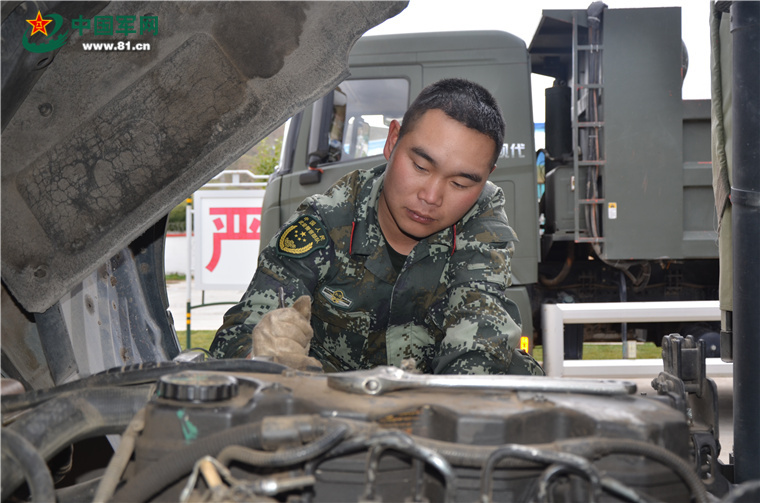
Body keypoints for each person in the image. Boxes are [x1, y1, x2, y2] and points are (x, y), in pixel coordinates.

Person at [209, 78, 544, 376]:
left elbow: (480, 331)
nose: (431, 197)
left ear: (485, 179)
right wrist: (261, 354)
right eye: (420, 166)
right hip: (330, 401)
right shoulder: (326, 222)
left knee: (517, 371)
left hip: (433, 395)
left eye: (460, 183)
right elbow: (236, 337)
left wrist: (453, 413)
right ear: (392, 141)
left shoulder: (480, 218)